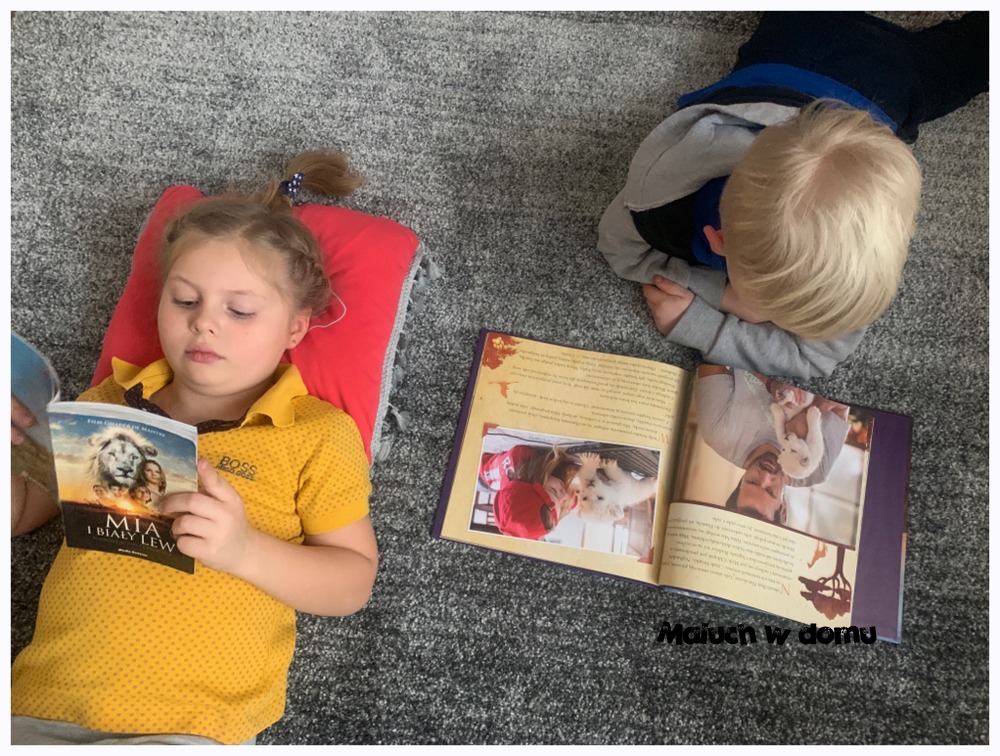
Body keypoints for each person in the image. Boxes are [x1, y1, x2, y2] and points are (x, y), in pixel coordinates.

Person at [9, 150, 378, 745]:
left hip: (193, 727)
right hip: (39, 708)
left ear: (296, 328)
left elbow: (352, 583)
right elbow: (23, 514)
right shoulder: (108, 401)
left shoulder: (314, 433)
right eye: (185, 301)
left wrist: (244, 551)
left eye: (240, 310)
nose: (205, 323)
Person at [598, 12, 988, 378]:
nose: (763, 318)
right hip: (806, 43)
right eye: (770, 313)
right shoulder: (661, 191)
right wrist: (725, 297)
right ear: (718, 241)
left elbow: (816, 357)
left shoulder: (856, 266)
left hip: (874, 73)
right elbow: (617, 246)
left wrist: (706, 322)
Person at [693, 365, 849, 523]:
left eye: (752, 481)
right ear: (784, 508)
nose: (765, 475)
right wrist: (815, 412)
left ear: (740, 485)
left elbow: (711, 358)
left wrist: (771, 382)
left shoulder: (717, 432)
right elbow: (843, 401)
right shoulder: (816, 468)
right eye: (770, 491)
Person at [479, 444, 580, 539]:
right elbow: (574, 500)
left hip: (482, 474)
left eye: (553, 491)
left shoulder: (519, 457)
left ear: (533, 479)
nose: (565, 494)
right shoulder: (555, 503)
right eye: (561, 505)